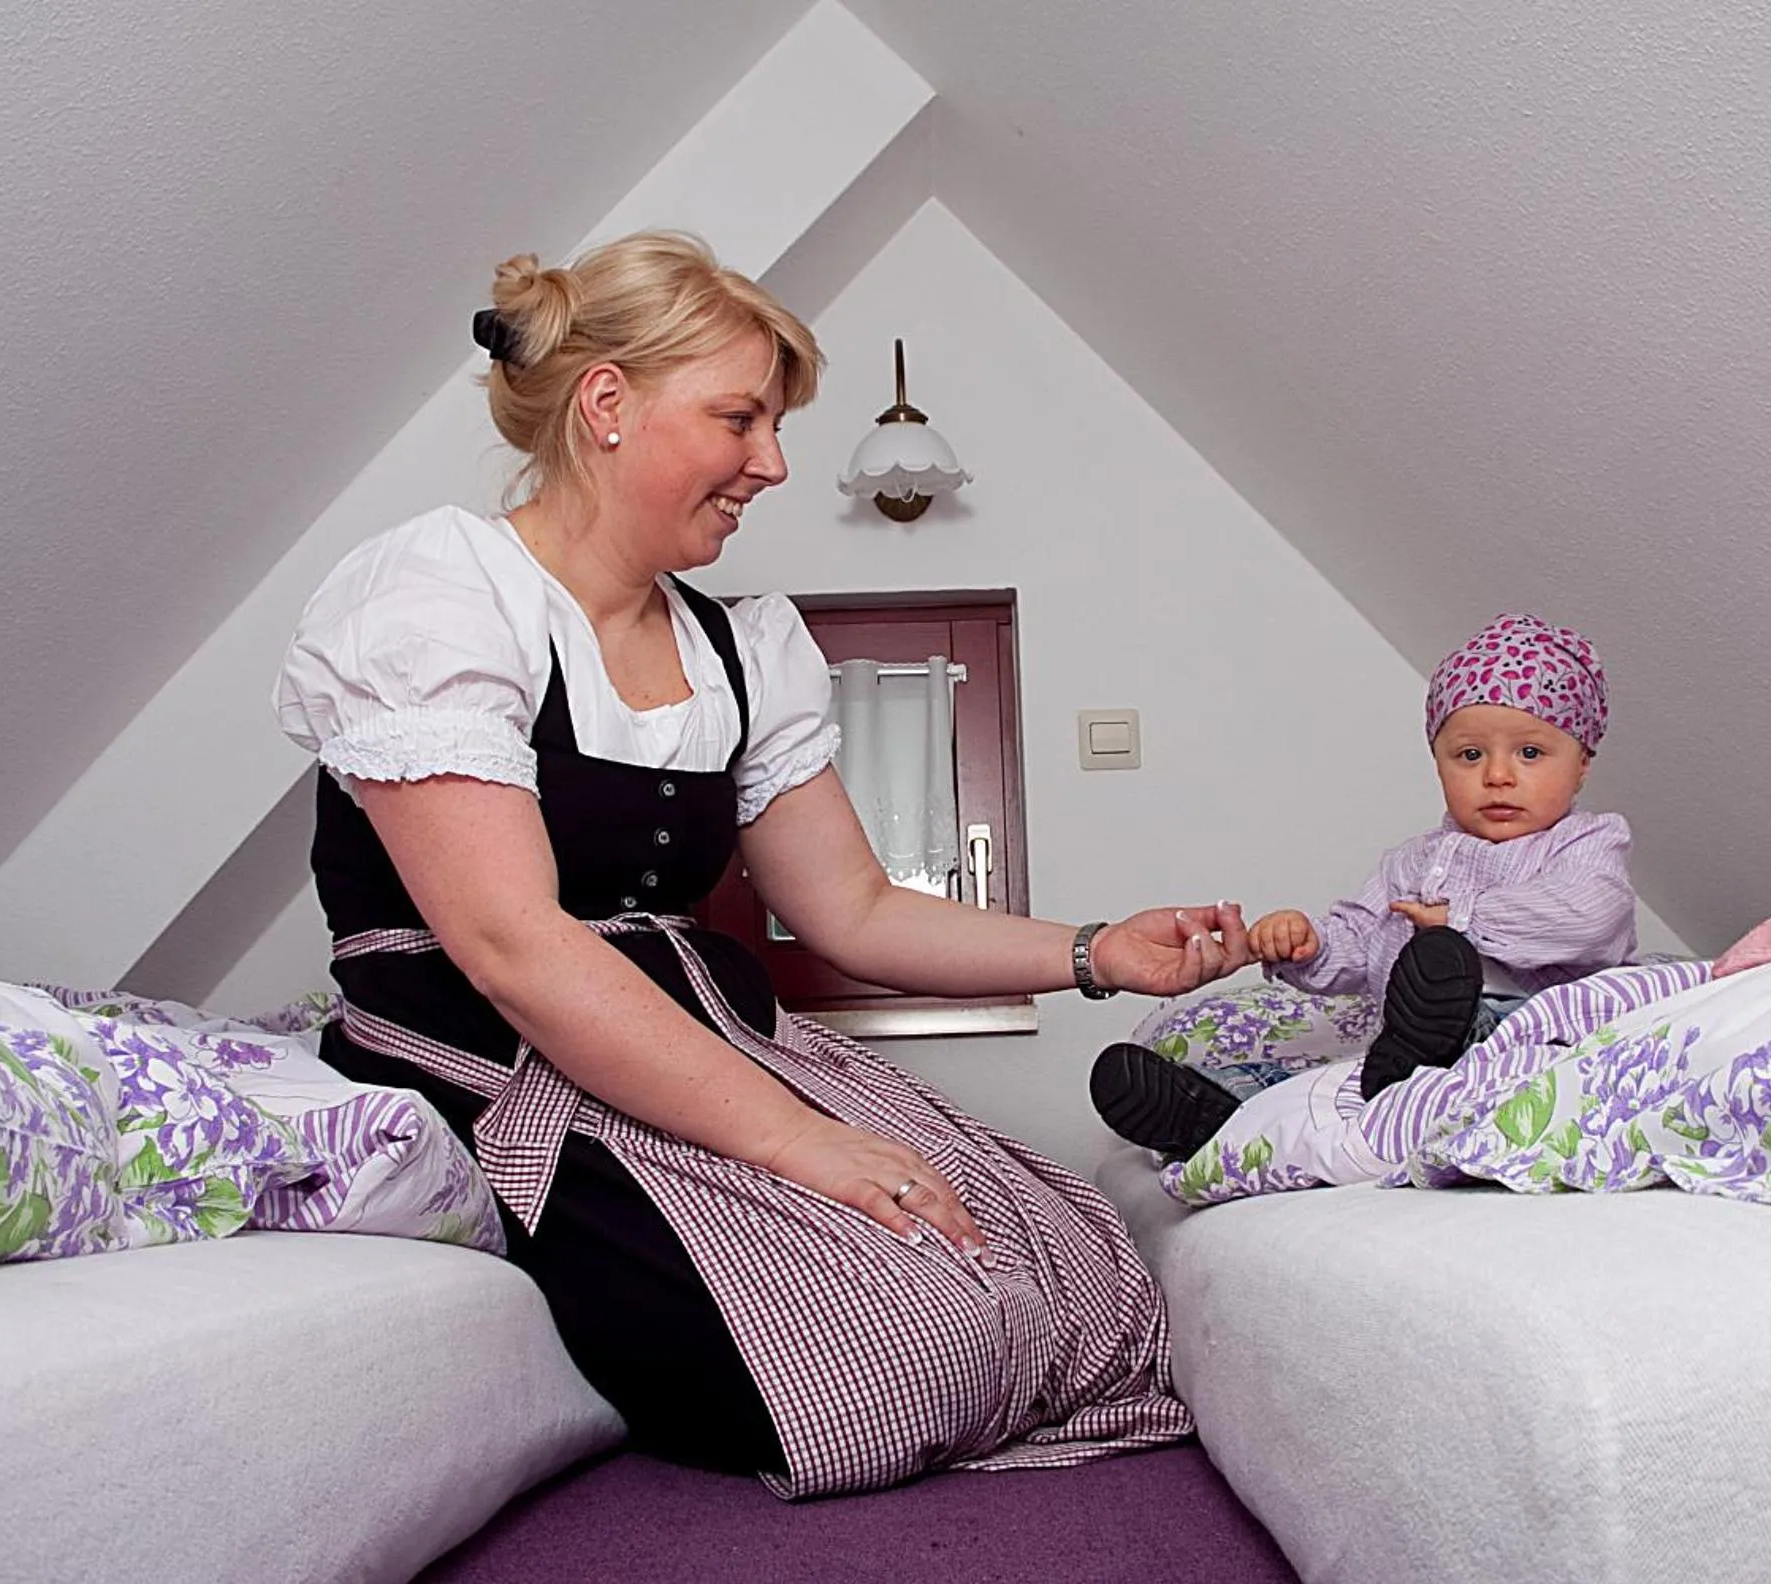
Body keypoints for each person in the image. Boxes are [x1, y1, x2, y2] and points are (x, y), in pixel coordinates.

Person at [272, 233, 1249, 1498]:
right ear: (606, 404)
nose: (773, 465)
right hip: (494, 1045)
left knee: (1082, 1260)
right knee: (918, 1341)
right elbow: (513, 944)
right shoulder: (439, 595)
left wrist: (1092, 950)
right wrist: (805, 1145)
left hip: (705, 1029)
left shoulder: (740, 650)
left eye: (775, 426)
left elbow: (855, 908)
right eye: (741, 418)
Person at [1089, 613, 1637, 1158]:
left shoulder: (1586, 841)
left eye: (1530, 753)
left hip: (1533, 1027)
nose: (1497, 775)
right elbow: (1358, 942)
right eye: (1470, 755)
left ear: (1582, 764)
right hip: (1399, 1047)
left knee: (1488, 1017)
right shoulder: (1413, 862)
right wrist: (1307, 943)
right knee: (1329, 1083)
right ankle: (1218, 1114)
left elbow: (1591, 917)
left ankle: (1443, 1049)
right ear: (1438, 762)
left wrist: (1460, 919)